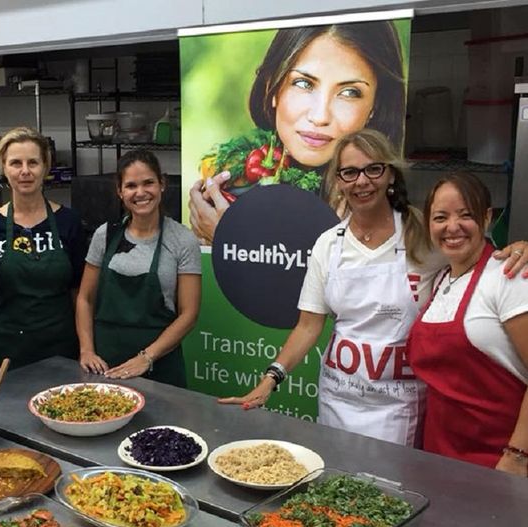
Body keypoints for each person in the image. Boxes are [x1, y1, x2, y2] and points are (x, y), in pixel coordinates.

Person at [221, 130, 528, 444]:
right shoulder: (328, 245)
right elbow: (308, 326)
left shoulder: (422, 233)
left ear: (390, 174)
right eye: (350, 172)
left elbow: (470, 253)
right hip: (338, 400)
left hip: (399, 408)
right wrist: (271, 378)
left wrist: (518, 249)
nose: (362, 181)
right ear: (338, 181)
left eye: (373, 169)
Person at [190, 22, 406, 244]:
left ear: (375, 107)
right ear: (272, 87)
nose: (320, 116)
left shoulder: (381, 211)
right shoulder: (235, 176)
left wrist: (230, 239)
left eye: (349, 92)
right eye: (303, 83)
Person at [407, 173, 528, 475]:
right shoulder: (441, 279)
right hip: (439, 456)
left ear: (486, 218)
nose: (452, 227)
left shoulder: (509, 277)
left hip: (498, 460)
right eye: (440, 217)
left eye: (466, 215)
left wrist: (517, 456)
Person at [76, 150, 202, 388]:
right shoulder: (105, 235)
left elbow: (189, 314)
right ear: (120, 191)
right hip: (105, 364)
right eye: (131, 185)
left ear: (162, 184)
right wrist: (87, 350)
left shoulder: (182, 240)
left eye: (148, 183)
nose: (140, 192)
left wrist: (146, 358)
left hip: (160, 366)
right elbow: (85, 299)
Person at [0, 127, 86, 373]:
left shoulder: (69, 221)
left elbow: (79, 294)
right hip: (6, 353)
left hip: (62, 350)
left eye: (33, 162)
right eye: (16, 163)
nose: (25, 171)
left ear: (46, 167)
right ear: (4, 168)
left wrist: (85, 349)